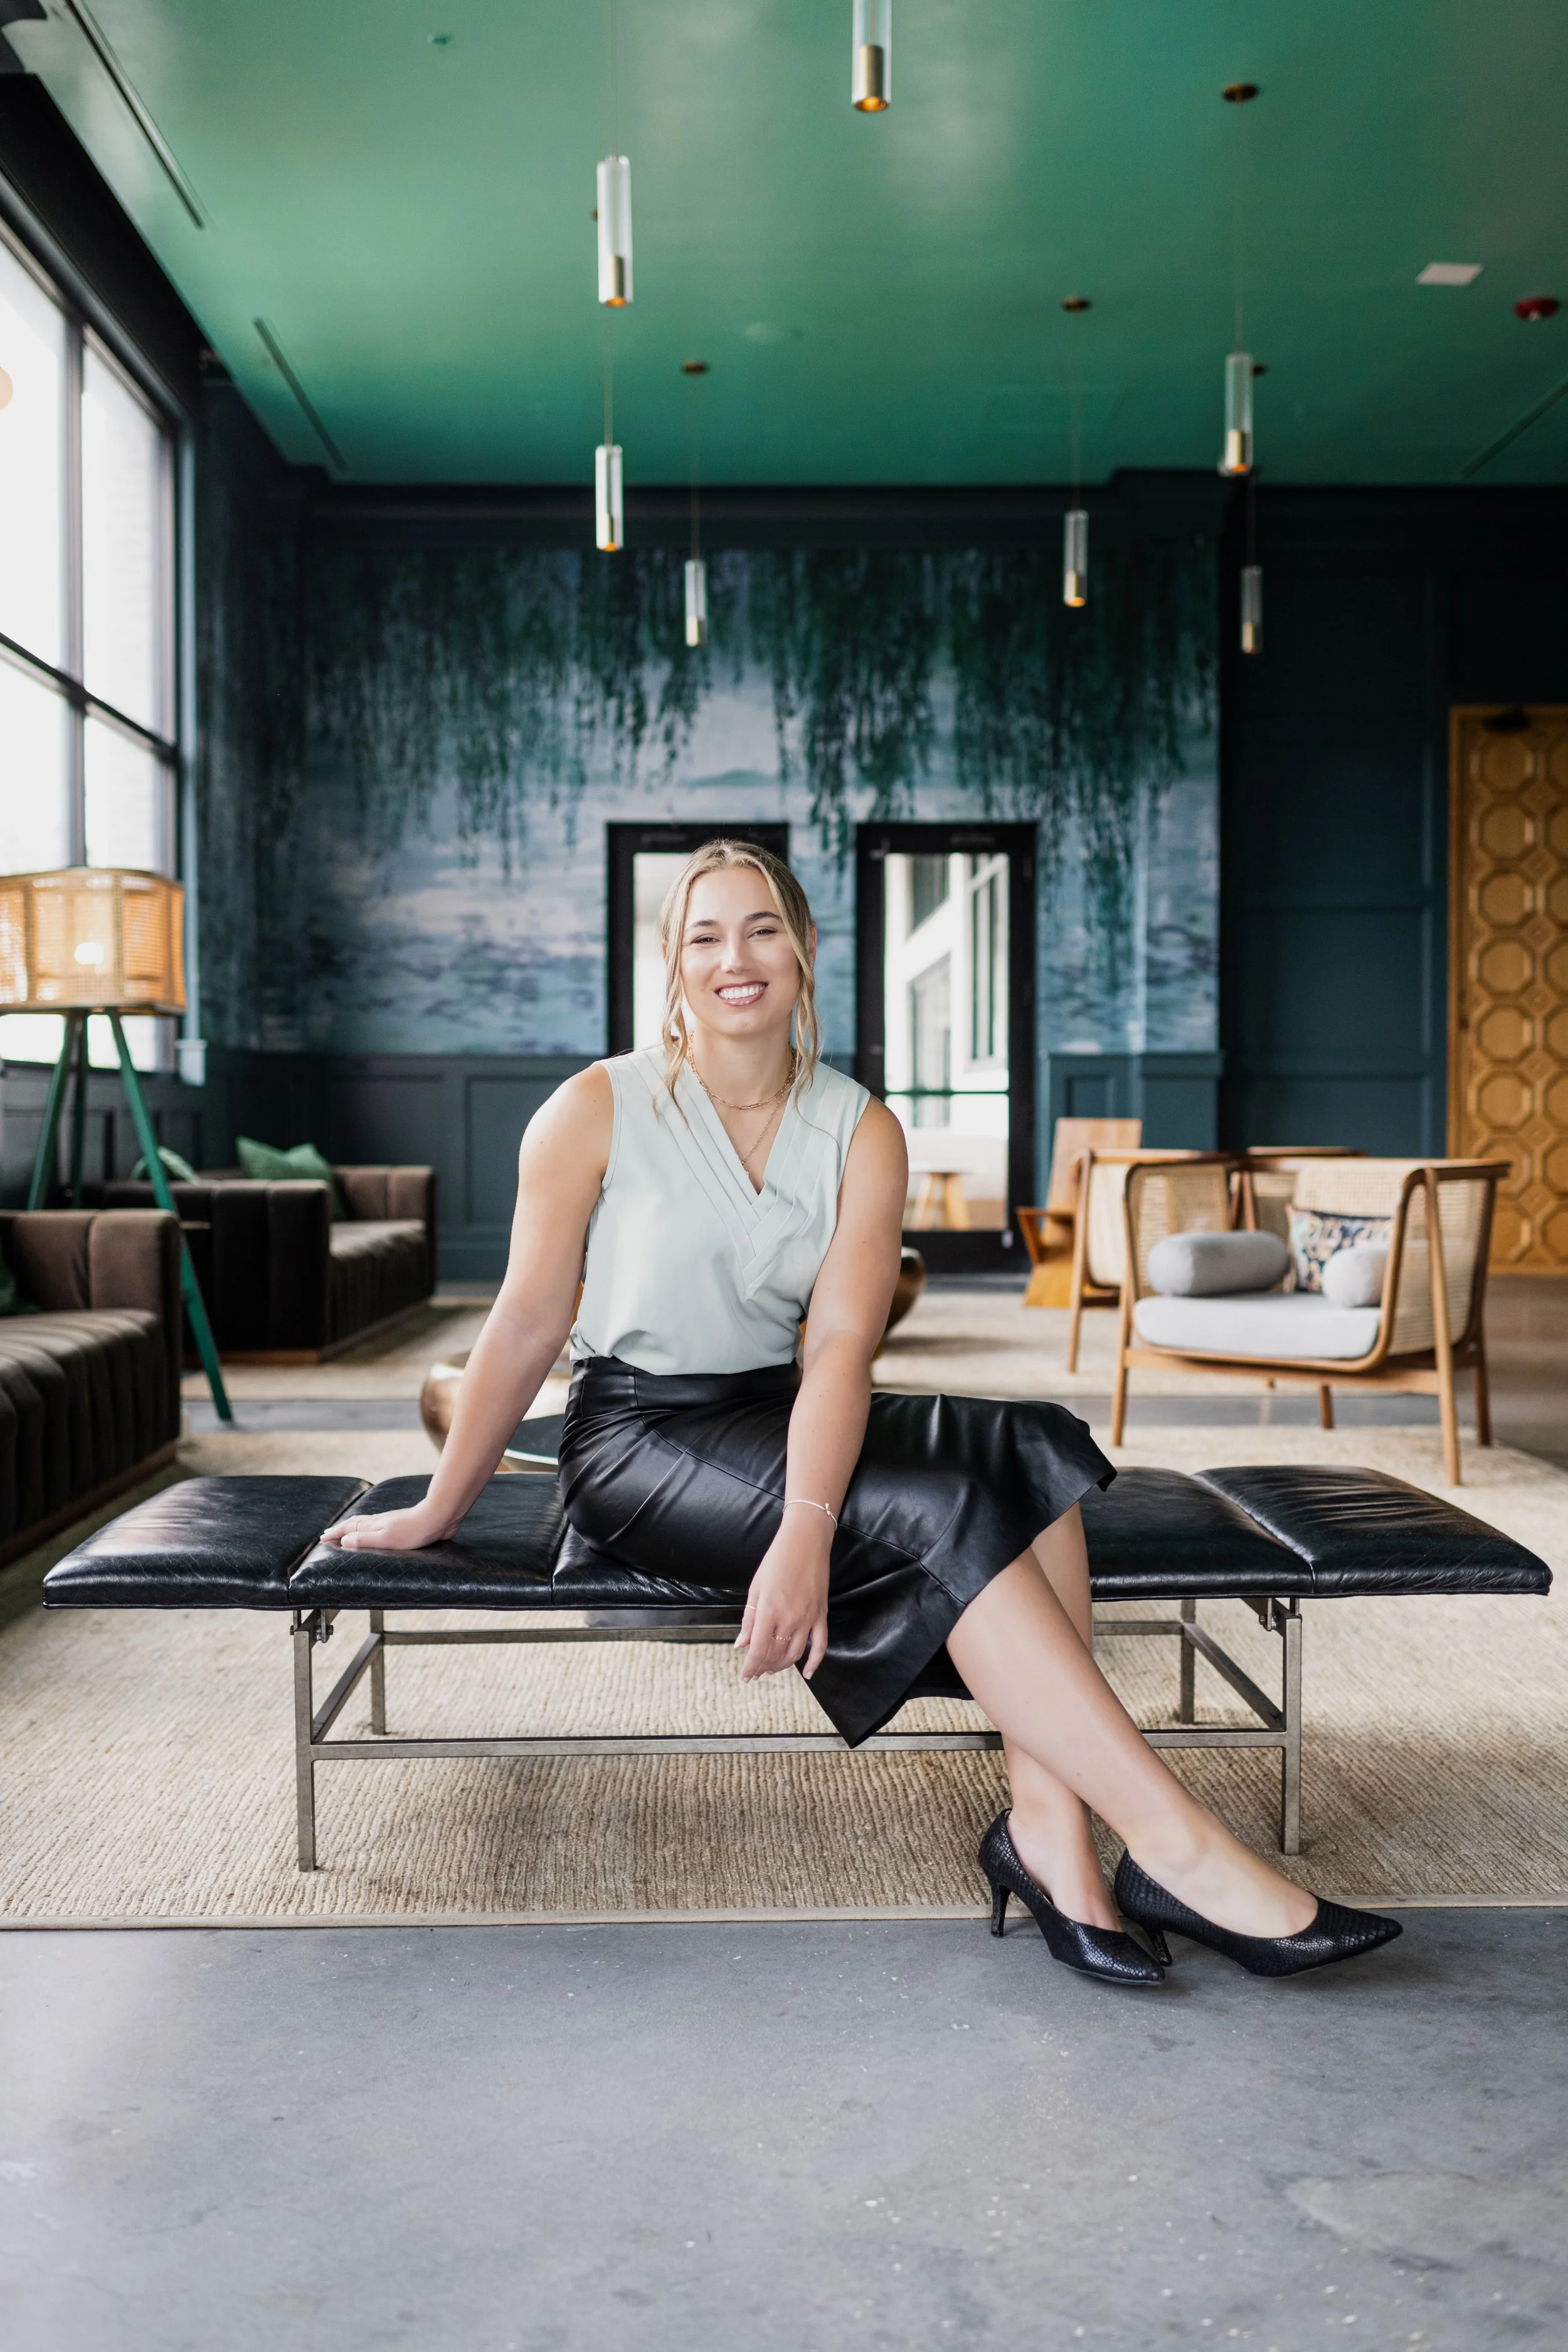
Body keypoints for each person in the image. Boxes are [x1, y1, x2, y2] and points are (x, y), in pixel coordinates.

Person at [326, 839, 1399, 1986]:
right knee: (942, 1510)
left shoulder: (858, 1126)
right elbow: (528, 1322)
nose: (735, 958)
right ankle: (1181, 1848)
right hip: (637, 1438)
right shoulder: (593, 1109)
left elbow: (840, 1344)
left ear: (806, 949)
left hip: (776, 1408)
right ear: (672, 964)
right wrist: (443, 1503)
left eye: (762, 929)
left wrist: (806, 1522)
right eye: (704, 935)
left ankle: (1049, 1835)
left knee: (1030, 1442)